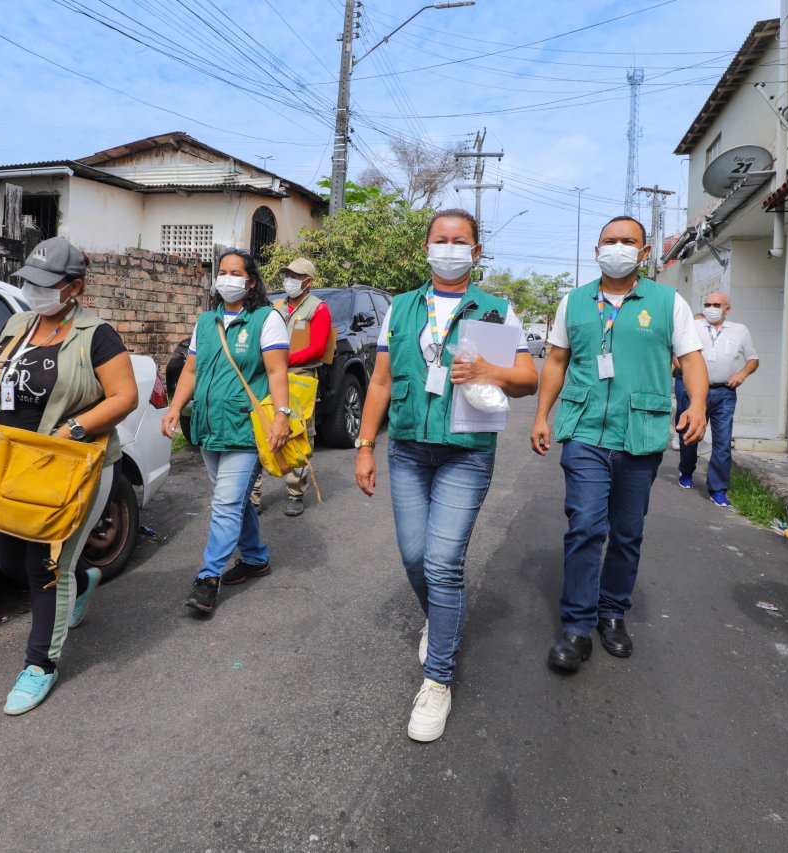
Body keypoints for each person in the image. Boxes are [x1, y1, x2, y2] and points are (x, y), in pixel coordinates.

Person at [355, 209, 539, 743]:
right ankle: (440, 618)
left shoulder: (494, 310)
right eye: (441, 240)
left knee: (443, 561)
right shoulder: (403, 308)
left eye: (461, 241)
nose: (450, 248)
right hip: (408, 450)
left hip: (465, 451)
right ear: (427, 247)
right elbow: (382, 383)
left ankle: (438, 678)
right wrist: (366, 445)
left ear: (476, 252)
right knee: (415, 557)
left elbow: (525, 378)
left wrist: (490, 371)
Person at [531, 215, 708, 673]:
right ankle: (576, 625)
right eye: (609, 240)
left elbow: (691, 360)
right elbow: (555, 360)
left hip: (640, 433)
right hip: (585, 429)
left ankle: (612, 611)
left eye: (628, 241)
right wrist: (540, 416)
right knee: (586, 525)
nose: (618, 247)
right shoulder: (574, 302)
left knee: (627, 533)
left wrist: (698, 405)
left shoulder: (669, 303)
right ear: (596, 250)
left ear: (644, 253)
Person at [0, 236, 138, 715]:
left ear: (75, 288)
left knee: (45, 567)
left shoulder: (97, 334)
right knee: (9, 561)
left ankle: (40, 665)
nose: (34, 290)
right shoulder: (18, 324)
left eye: (46, 284)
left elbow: (123, 397)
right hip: (13, 464)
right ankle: (86, 579)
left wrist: (75, 429)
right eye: (29, 280)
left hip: (71, 467)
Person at [162, 249, 292, 614]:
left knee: (225, 502)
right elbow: (190, 371)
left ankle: (208, 578)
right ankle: (255, 558)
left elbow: (277, 372)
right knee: (230, 499)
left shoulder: (267, 319)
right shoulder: (206, 322)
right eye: (222, 272)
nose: (227, 278)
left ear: (250, 281)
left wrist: (281, 414)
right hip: (208, 425)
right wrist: (174, 408)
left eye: (236, 272)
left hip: (246, 428)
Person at [250, 257, 332, 517]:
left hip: (300, 378)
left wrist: (281, 359)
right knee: (261, 429)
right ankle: (252, 495)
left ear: (308, 282)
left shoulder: (318, 309)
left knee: (298, 434)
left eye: (296, 277)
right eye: (288, 275)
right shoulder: (276, 306)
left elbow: (317, 348)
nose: (290, 281)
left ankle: (296, 493)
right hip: (271, 376)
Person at [675, 292, 759, 506]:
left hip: (724, 393)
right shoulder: (694, 327)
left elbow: (753, 359)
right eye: (707, 304)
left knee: (722, 443)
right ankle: (686, 471)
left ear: (727, 309)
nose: (711, 308)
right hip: (694, 392)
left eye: (716, 304)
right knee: (689, 435)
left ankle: (718, 489)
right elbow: (678, 352)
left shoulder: (740, 331)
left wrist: (742, 374)